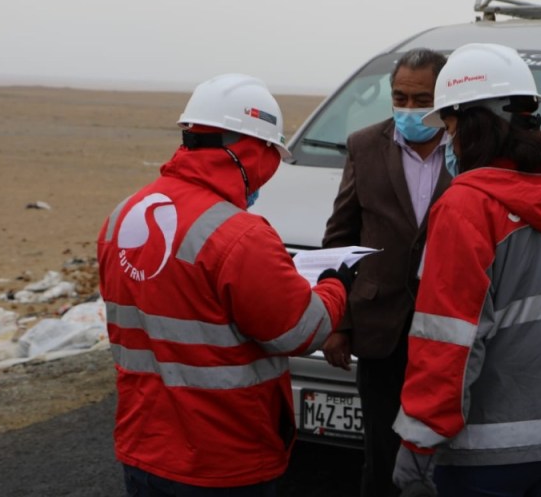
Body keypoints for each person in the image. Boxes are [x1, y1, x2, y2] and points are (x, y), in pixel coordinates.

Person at [97, 73, 354, 496]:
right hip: (224, 460)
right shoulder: (240, 235)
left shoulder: (123, 215)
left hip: (143, 446)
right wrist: (334, 286)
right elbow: (300, 330)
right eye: (271, 154)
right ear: (251, 152)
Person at [391, 43, 541, 496]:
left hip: (489, 454)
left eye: (450, 128)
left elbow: (449, 339)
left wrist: (419, 440)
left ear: (473, 125)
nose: (448, 142)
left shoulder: (465, 205)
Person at [321, 48, 451, 497]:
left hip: (447, 329)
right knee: (381, 455)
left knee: (446, 454)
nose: (409, 110)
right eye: (400, 98)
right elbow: (340, 238)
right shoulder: (364, 145)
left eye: (422, 100)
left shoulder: (469, 151)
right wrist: (339, 322)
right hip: (381, 329)